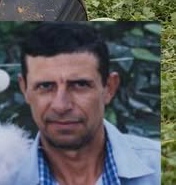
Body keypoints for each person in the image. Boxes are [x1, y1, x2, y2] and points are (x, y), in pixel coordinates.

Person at [9, 23, 161, 185]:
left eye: (79, 85)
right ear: (25, 89)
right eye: (45, 86)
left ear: (109, 88)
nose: (61, 106)